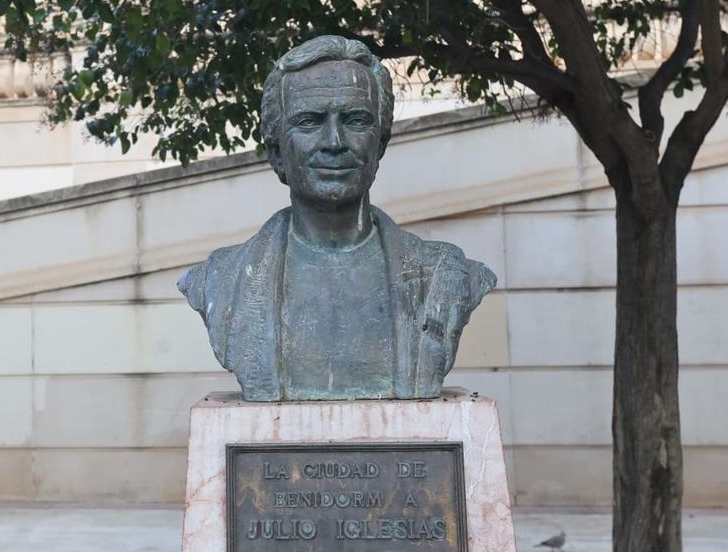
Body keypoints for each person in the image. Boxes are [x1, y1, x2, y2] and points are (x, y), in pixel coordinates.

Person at [179, 35, 495, 401]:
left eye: (355, 120)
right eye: (310, 122)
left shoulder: (445, 274)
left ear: (380, 144)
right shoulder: (222, 278)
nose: (333, 141)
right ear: (277, 151)